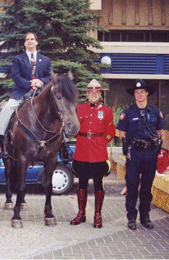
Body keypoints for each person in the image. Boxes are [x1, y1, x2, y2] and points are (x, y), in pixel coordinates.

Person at [117, 79, 164, 230]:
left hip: (150, 152)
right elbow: (121, 133)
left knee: (147, 185)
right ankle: (131, 217)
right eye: (136, 92)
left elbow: (159, 133)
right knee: (131, 184)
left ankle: (145, 216)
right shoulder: (127, 113)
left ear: (147, 93)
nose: (139, 95)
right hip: (134, 152)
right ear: (134, 95)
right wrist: (128, 148)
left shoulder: (156, 112)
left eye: (141, 92)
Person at [0, 32, 51, 156]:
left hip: (40, 94)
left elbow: (49, 77)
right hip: (21, 92)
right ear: (25, 43)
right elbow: (16, 77)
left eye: (32, 39)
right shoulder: (17, 59)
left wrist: (41, 82)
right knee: (7, 109)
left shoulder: (46, 60)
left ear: (36, 42)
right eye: (27, 39)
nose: (30, 41)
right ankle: (1, 141)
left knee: (57, 109)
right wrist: (31, 83)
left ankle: (63, 144)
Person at [70, 79, 115, 228]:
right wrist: (83, 139)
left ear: (100, 94)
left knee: (98, 183)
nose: (94, 95)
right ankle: (81, 214)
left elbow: (110, 133)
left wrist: (99, 142)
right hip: (82, 149)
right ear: (87, 93)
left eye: (97, 92)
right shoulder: (79, 108)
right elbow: (74, 129)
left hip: (98, 151)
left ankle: (97, 215)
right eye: (91, 92)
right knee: (82, 181)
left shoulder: (107, 111)